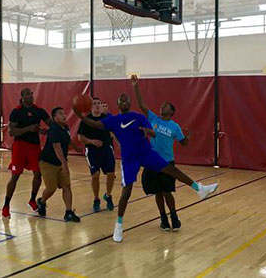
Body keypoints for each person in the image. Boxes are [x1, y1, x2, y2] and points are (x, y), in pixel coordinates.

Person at [73, 93, 218, 243]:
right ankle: (119, 225)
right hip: (129, 159)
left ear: (129, 103)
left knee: (171, 170)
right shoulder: (114, 120)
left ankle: (200, 189)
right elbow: (95, 124)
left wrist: (148, 131)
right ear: (118, 104)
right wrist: (79, 114)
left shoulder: (139, 117)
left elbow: (153, 132)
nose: (123, 101)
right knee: (126, 191)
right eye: (120, 100)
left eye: (126, 99)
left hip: (146, 153)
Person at [132, 75, 191, 231]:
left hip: (167, 162)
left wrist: (188, 137)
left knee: (167, 191)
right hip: (152, 161)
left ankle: (174, 216)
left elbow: (183, 143)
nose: (162, 106)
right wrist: (136, 86)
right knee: (157, 192)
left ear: (171, 111)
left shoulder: (175, 127)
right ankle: (163, 218)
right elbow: (141, 104)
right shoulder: (153, 118)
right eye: (162, 105)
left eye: (165, 106)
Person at [1, 88, 53, 219]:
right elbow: (12, 132)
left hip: (34, 146)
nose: (31, 95)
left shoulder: (38, 110)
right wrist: (29, 129)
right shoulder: (17, 112)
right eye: (28, 94)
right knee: (15, 176)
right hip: (20, 146)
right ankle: (6, 205)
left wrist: (49, 129)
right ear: (22, 97)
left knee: (38, 174)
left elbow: (50, 123)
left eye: (32, 93)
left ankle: (32, 199)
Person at [37, 107, 82, 222]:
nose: (64, 115)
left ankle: (69, 212)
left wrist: (76, 147)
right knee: (51, 188)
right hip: (47, 162)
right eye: (60, 114)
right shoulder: (53, 130)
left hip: (60, 162)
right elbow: (57, 148)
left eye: (64, 113)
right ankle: (41, 201)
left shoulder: (65, 127)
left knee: (66, 186)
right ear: (54, 117)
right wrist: (65, 164)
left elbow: (68, 139)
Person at [77, 97, 115, 212]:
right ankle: (96, 198)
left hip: (107, 149)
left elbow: (114, 130)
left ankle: (108, 195)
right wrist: (91, 141)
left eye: (99, 103)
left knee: (111, 174)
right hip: (92, 151)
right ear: (91, 106)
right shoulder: (86, 120)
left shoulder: (107, 118)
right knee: (95, 175)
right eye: (95, 103)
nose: (97, 105)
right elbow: (80, 137)